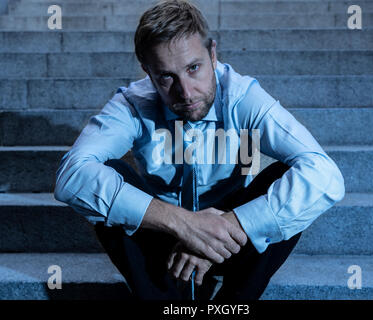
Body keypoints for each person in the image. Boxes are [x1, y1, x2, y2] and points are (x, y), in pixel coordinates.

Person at [54, 0, 345, 300]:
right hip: (163, 237)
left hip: (233, 239)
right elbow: (71, 176)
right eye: (166, 77)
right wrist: (183, 225)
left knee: (288, 180)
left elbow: (325, 175)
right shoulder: (133, 103)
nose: (186, 92)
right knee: (108, 178)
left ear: (213, 54)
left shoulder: (243, 97)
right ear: (148, 71)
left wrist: (229, 225)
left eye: (194, 68)